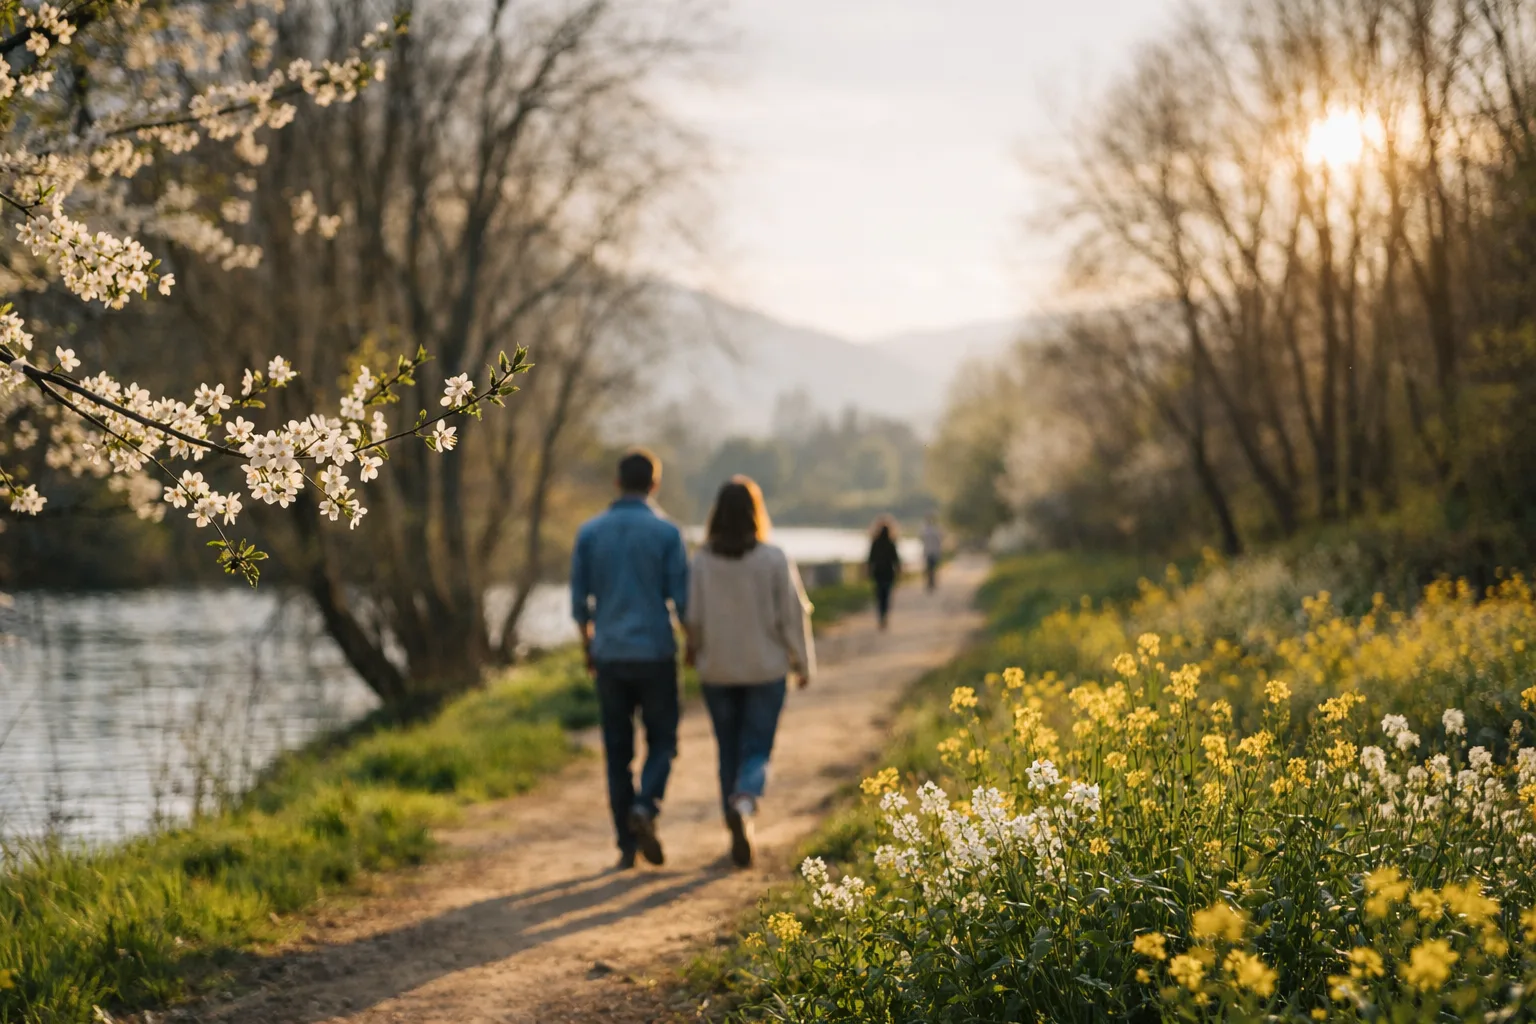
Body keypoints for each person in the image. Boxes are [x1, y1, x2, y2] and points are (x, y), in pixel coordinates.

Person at [685, 476, 815, 868]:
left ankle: (736, 826)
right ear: (756, 512)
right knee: (757, 748)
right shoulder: (774, 557)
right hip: (765, 668)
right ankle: (744, 803)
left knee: (728, 749)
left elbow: (692, 616)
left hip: (719, 670)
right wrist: (803, 663)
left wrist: (692, 652)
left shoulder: (702, 560)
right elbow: (793, 615)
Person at [570, 449, 689, 871]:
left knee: (617, 751)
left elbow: (579, 604)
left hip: (611, 654)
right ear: (654, 485)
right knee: (664, 742)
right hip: (656, 653)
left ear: (617, 483)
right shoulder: (667, 533)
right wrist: (692, 641)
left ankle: (625, 845)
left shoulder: (589, 532)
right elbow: (682, 598)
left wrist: (589, 647)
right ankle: (645, 807)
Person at [867, 517, 902, 630]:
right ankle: (884, 614)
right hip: (888, 574)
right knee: (886, 597)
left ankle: (881, 615)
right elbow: (896, 560)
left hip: (878, 574)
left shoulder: (875, 543)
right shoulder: (891, 543)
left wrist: (868, 572)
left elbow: (870, 560)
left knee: (879, 597)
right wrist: (899, 572)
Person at [921, 515, 944, 593]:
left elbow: (922, 540)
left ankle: (930, 583)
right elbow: (940, 541)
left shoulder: (925, 530)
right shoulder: (936, 530)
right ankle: (932, 582)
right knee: (933, 569)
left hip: (928, 552)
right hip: (934, 552)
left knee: (929, 569)